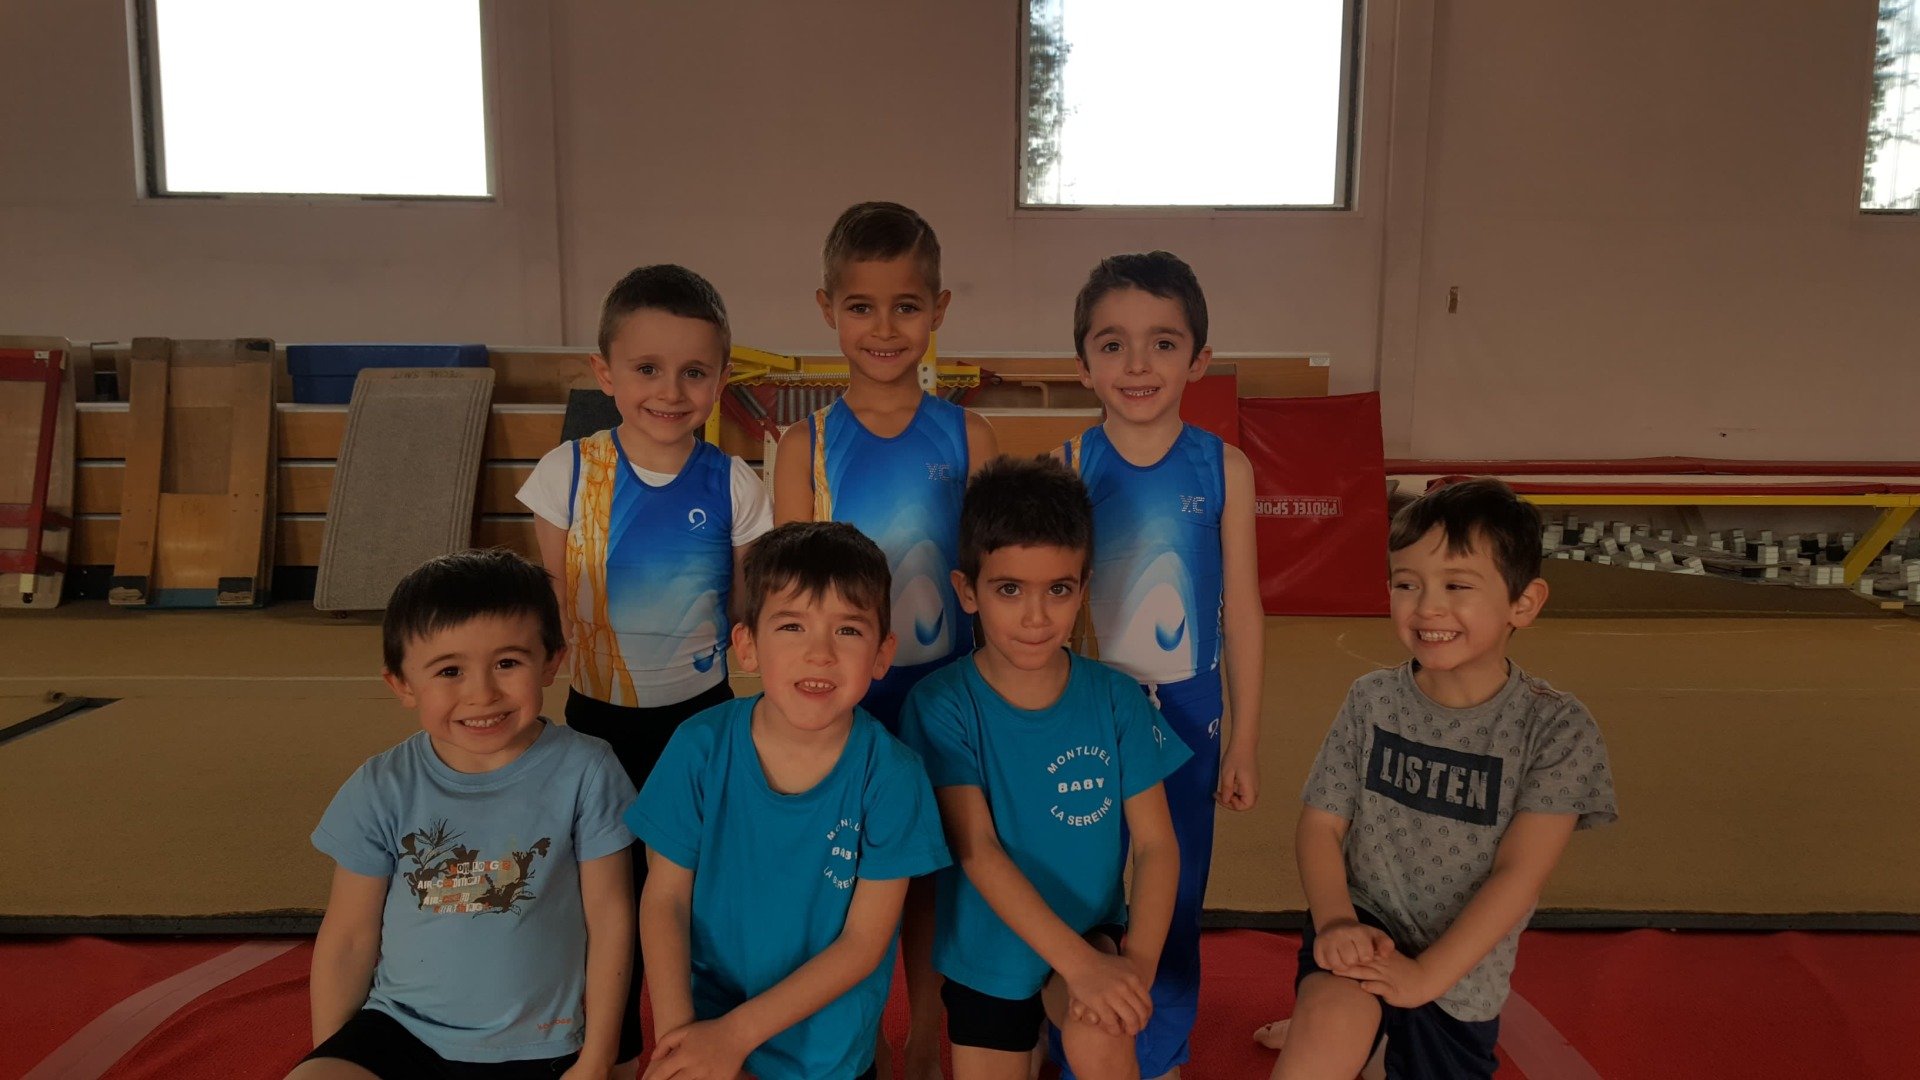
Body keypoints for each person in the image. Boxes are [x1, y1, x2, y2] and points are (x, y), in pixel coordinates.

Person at [1263, 477, 1618, 1080]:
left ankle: (1374, 1043)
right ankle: (1330, 1023)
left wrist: (1425, 977)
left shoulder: (1556, 728)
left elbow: (1519, 874)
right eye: (1407, 584)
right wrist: (1336, 922)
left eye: (1457, 585)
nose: (1427, 606)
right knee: (1326, 1033)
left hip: (1461, 973)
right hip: (1364, 926)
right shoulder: (1372, 700)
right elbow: (1321, 826)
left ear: (1523, 603)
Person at [517, 263, 774, 1057]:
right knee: (611, 897)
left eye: (695, 372)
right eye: (648, 369)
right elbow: (551, 597)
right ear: (606, 373)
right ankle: (617, 1049)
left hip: (700, 722)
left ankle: (707, 1044)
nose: (671, 390)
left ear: (721, 380)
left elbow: (748, 609)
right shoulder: (568, 473)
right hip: (597, 723)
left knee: (697, 893)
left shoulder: (734, 483)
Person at [770, 201, 998, 1076]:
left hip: (946, 694)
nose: (885, 328)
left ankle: (930, 1035)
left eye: (906, 306)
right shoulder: (806, 445)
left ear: (939, 309)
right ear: (827, 308)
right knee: (844, 875)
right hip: (846, 698)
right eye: (861, 307)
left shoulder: (968, 435)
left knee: (939, 874)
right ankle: (849, 1039)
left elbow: (992, 571)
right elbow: (792, 594)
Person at [293, 549, 636, 1079]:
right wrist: (335, 1052)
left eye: (507, 663)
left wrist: (596, 1058)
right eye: (449, 670)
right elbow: (349, 936)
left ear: (551, 661)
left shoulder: (587, 770)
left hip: (538, 1044)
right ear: (402, 684)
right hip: (401, 1030)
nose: (482, 694)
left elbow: (611, 919)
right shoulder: (382, 785)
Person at [628, 521, 952, 1080]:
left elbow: (863, 943)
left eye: (847, 630)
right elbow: (665, 901)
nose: (819, 653)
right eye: (792, 625)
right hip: (705, 1030)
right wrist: (686, 1040)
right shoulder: (699, 747)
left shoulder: (894, 776)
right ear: (748, 645)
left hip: (828, 1059)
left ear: (882, 654)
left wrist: (734, 1036)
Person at [900, 456, 1189, 1080]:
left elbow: (1157, 845)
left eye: (1058, 590)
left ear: (1082, 589)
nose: (1036, 617)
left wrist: (1129, 971)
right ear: (967, 591)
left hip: (1088, 935)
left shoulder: (1116, 699)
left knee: (1103, 1036)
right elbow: (975, 849)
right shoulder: (940, 704)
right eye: (1010, 590)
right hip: (987, 952)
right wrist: (1087, 970)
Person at [1061, 250, 1265, 1076]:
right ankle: (1082, 1038)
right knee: (1083, 884)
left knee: (1173, 891)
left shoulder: (1224, 468)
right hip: (1089, 710)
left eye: (1163, 344)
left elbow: (1241, 612)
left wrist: (1243, 738)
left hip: (1187, 713)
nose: (1138, 365)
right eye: (1113, 345)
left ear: (1199, 360)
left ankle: (1163, 1045)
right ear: (1084, 364)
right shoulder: (1070, 466)